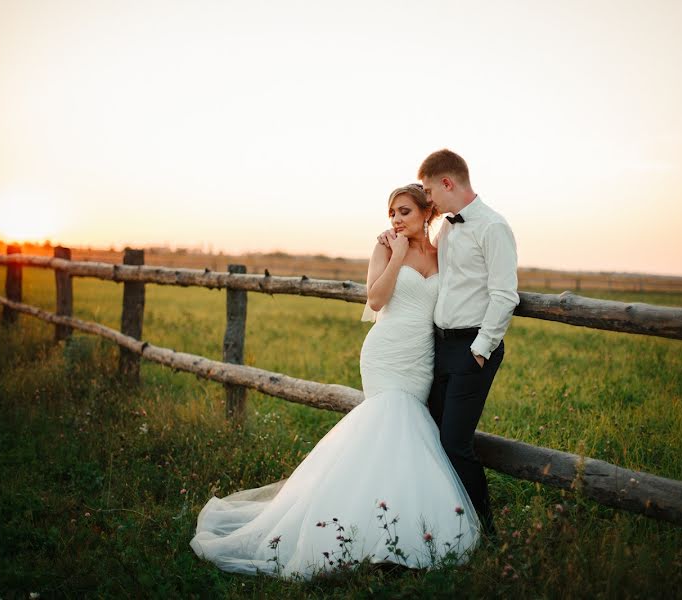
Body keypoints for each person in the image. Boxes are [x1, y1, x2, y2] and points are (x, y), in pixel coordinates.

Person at [189, 184, 480, 579]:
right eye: (392, 212)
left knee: (406, 436)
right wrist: (395, 257)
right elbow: (376, 300)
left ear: (427, 213)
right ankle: (355, 529)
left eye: (405, 211)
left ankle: (393, 524)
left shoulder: (441, 251)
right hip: (386, 353)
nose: (396, 219)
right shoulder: (385, 247)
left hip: (420, 359)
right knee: (388, 422)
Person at [380, 149, 519, 534]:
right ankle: (441, 524)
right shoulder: (446, 229)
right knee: (432, 439)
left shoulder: (493, 227)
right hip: (438, 348)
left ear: (447, 183)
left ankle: (483, 531)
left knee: (455, 443)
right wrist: (393, 240)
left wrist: (480, 349)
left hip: (473, 349)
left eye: (428, 190)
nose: (427, 199)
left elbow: (505, 294)